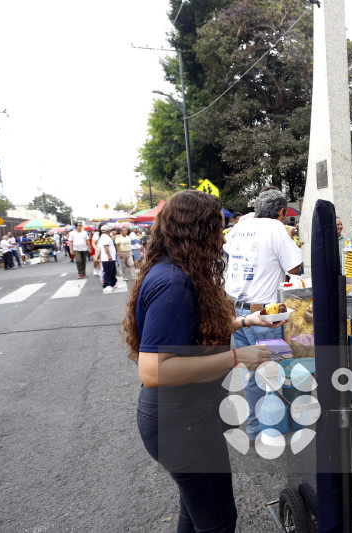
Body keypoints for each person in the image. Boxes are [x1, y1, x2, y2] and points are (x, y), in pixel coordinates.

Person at [123, 190, 281, 533]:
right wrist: (238, 356)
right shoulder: (172, 283)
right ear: (195, 231)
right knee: (219, 521)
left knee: (194, 514)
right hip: (180, 423)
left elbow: (191, 334)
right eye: (217, 229)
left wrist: (247, 322)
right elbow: (153, 371)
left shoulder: (177, 272)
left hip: (183, 419)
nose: (223, 238)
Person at [224, 188, 303, 443]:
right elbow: (294, 268)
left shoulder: (240, 226)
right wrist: (290, 236)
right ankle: (275, 430)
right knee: (276, 371)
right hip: (265, 317)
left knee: (249, 374)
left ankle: (255, 429)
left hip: (237, 314)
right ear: (281, 212)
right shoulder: (275, 227)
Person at [97, 225, 118, 292]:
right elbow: (106, 247)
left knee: (112, 271)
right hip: (107, 258)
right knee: (108, 272)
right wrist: (109, 256)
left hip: (109, 257)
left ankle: (112, 283)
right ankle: (107, 285)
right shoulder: (105, 237)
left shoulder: (105, 237)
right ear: (108, 230)